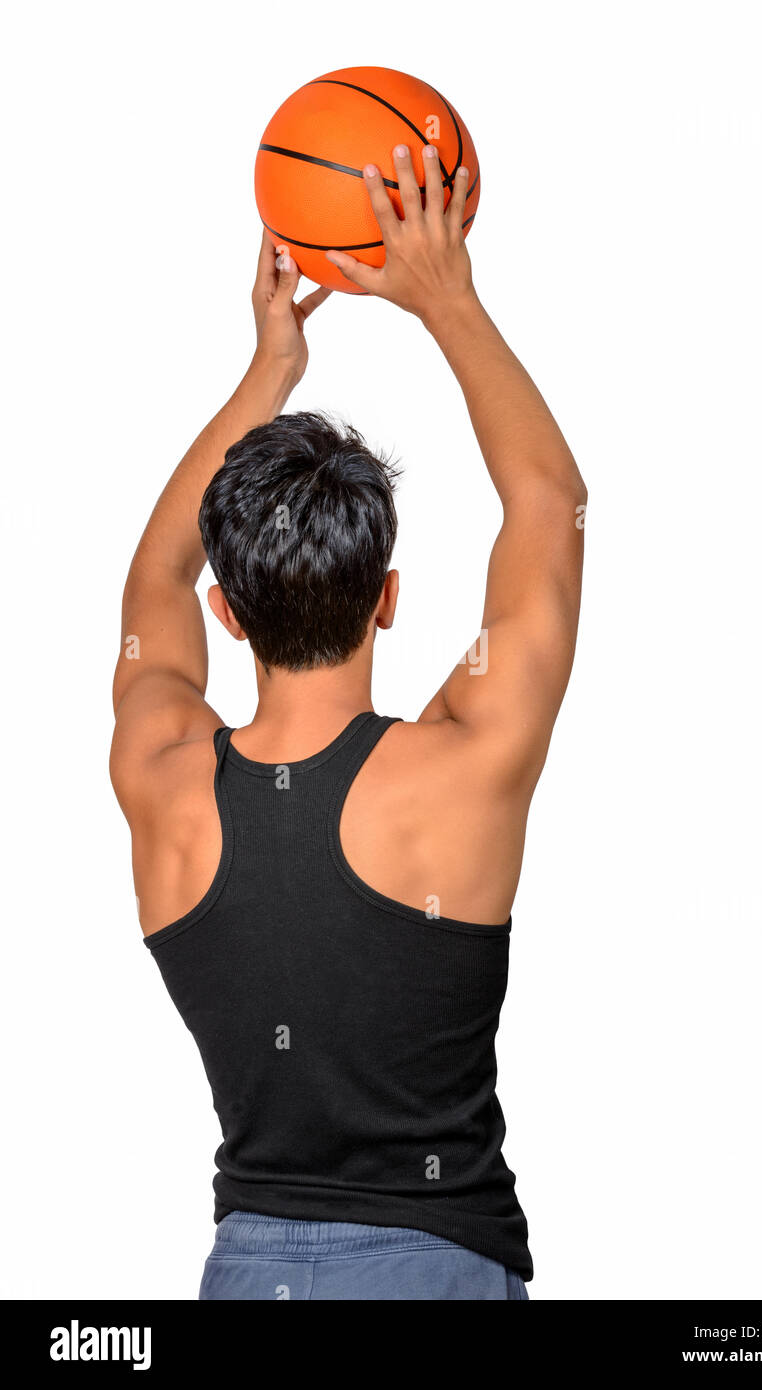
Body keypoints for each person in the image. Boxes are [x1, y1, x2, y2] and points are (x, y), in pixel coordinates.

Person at [111, 143, 587, 1301]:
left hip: (247, 1270)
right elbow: (552, 501)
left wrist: (271, 366)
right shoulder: (462, 766)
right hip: (440, 1273)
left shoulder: (162, 775)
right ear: (388, 596)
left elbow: (150, 588)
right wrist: (445, 298)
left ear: (227, 614)